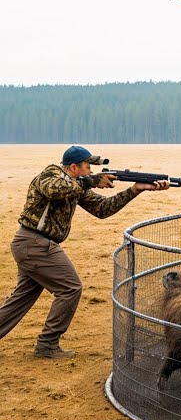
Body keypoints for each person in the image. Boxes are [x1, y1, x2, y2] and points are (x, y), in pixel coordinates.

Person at [0, 147, 169, 358]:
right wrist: (92, 181)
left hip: (33, 245)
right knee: (71, 288)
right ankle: (47, 345)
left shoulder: (76, 186)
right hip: (34, 243)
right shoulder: (51, 175)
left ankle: (46, 345)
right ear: (73, 167)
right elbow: (54, 190)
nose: (90, 172)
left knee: (21, 298)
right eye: (87, 167)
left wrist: (135, 190)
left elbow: (103, 208)